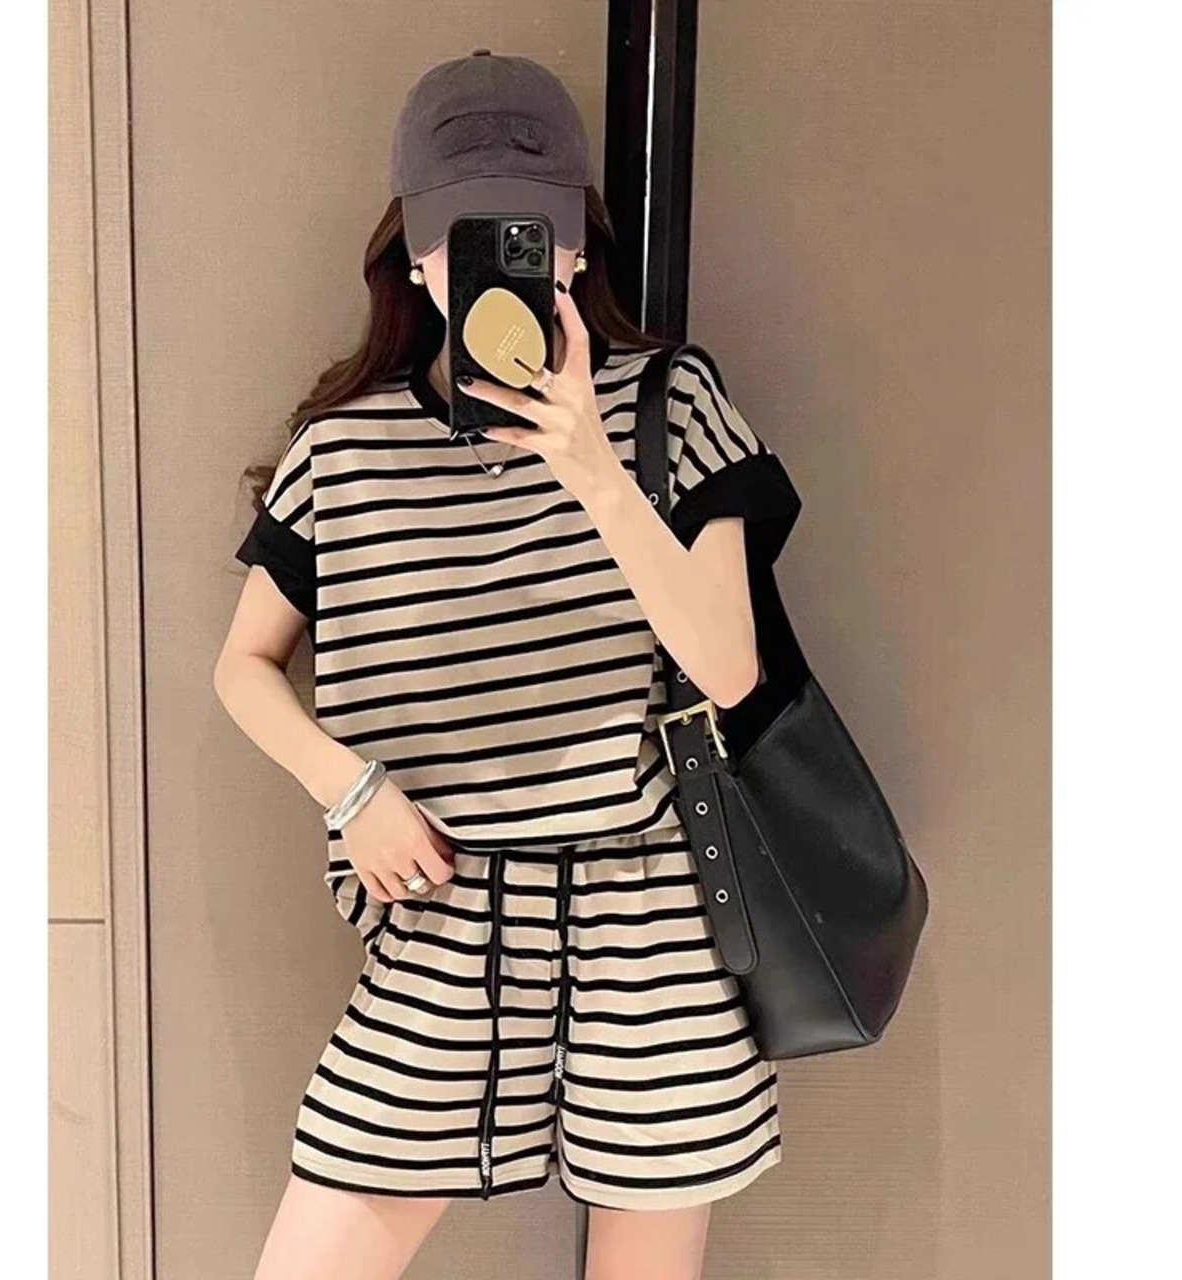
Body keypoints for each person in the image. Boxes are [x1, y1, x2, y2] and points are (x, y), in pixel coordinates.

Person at [215, 48, 792, 1280]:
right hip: (439, 918)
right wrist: (350, 789)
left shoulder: (670, 404)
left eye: (524, 232)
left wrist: (592, 468)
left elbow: (728, 669)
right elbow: (243, 666)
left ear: (571, 250)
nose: (486, 260)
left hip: (649, 925)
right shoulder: (344, 452)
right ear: (415, 257)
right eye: (457, 232)